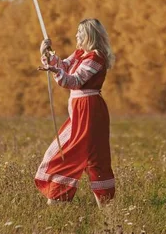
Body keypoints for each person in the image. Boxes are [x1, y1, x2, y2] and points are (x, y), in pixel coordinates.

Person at [35, 18, 116, 207]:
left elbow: (75, 81)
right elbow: (63, 65)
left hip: (89, 109)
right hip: (79, 110)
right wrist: (46, 53)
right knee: (83, 154)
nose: (76, 35)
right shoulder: (81, 53)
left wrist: (56, 72)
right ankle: (104, 207)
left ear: (90, 35)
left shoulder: (96, 57)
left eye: (80, 32)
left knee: (75, 153)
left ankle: (59, 199)